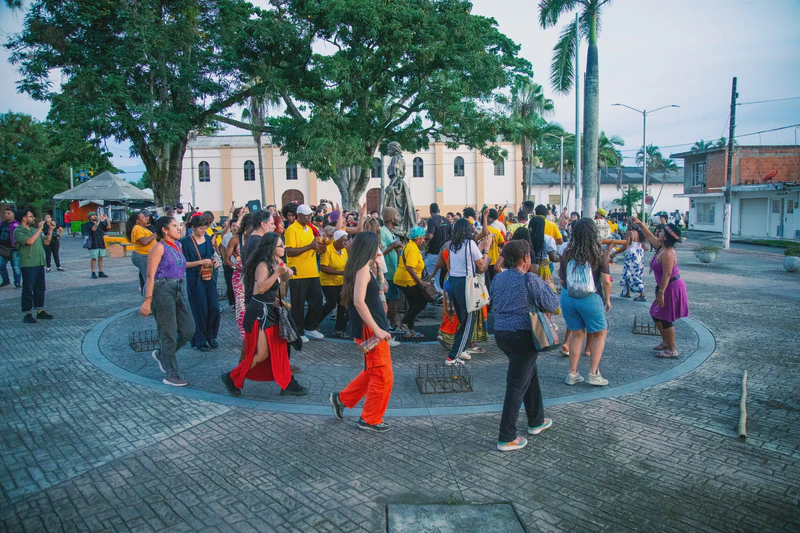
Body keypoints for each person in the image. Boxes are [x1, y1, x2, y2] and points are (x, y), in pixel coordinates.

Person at [491, 240, 559, 451]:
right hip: (523, 335)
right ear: (526, 258)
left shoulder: (498, 278)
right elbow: (553, 305)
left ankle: (536, 420)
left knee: (530, 373)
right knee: (515, 385)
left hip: (501, 334)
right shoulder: (530, 279)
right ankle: (506, 436)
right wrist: (549, 287)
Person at [222, 232, 308, 397]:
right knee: (261, 354)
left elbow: (286, 275)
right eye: (280, 245)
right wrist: (277, 273)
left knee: (281, 348)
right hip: (260, 313)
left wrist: (287, 271)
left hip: (272, 310)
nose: (284, 247)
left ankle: (287, 382)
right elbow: (259, 289)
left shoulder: (276, 262)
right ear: (271, 248)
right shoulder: (263, 265)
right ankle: (231, 378)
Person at [328, 232, 394, 432]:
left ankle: (341, 399)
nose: (379, 250)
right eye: (377, 247)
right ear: (369, 248)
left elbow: (380, 290)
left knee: (373, 372)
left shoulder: (363, 267)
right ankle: (370, 419)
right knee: (382, 376)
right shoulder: (362, 269)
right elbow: (358, 302)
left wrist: (379, 270)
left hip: (369, 328)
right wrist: (377, 330)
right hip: (370, 330)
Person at [140, 216, 194, 387]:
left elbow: (180, 265)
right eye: (174, 226)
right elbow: (150, 275)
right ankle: (172, 374)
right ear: (164, 230)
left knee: (188, 330)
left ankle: (163, 354)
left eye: (178, 225)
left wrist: (201, 262)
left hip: (179, 288)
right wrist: (147, 300)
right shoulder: (158, 247)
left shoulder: (178, 245)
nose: (178, 228)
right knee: (168, 333)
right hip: (162, 290)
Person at [558, 218, 612, 386]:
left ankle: (572, 373)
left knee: (577, 334)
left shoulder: (567, 252)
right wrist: (607, 299)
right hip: (590, 298)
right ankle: (593, 373)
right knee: (600, 333)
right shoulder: (598, 253)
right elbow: (606, 281)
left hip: (568, 297)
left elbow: (562, 279)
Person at [631, 218, 689, 358]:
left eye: (661, 231)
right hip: (666, 286)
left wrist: (661, 292)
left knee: (665, 318)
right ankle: (665, 342)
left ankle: (672, 350)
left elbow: (667, 274)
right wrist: (640, 224)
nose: (658, 232)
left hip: (671, 287)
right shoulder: (661, 246)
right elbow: (650, 237)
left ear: (666, 236)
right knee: (656, 313)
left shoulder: (668, 253)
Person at [440, 218, 489, 364]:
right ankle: (452, 356)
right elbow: (482, 266)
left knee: (464, 321)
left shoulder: (453, 246)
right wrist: (486, 251)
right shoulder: (470, 244)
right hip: (466, 284)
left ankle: (460, 350)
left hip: (453, 282)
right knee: (468, 321)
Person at [285, 204, 327, 342]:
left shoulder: (310, 229)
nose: (310, 217)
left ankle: (310, 327)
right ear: (300, 215)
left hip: (312, 272)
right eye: (307, 215)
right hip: (298, 273)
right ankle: (298, 331)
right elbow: (289, 251)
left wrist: (320, 248)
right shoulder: (291, 230)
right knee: (298, 304)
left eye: (311, 215)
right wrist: (309, 246)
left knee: (317, 300)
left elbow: (313, 248)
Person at [181, 216, 221, 351]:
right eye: (200, 228)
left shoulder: (208, 239)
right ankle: (200, 340)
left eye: (205, 228)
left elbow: (211, 256)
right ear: (193, 228)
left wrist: (214, 262)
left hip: (209, 276)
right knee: (200, 308)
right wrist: (200, 262)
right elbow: (182, 264)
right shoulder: (185, 242)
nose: (203, 230)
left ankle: (211, 335)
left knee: (214, 307)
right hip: (195, 279)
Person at [14, 208, 53, 323]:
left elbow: (46, 242)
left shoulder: (33, 230)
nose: (33, 218)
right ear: (24, 218)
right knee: (28, 289)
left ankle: (40, 310)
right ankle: (27, 313)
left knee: (40, 288)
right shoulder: (18, 231)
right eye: (31, 216)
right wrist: (39, 229)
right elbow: (29, 242)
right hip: (28, 263)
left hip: (39, 262)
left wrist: (50, 230)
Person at [394, 226, 431, 338]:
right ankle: (403, 322)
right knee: (421, 302)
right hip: (408, 280)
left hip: (404, 279)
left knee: (413, 305)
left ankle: (411, 331)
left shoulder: (410, 245)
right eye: (423, 238)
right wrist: (421, 282)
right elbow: (410, 267)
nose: (423, 240)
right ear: (418, 238)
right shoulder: (412, 248)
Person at [320, 230, 349, 337]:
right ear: (336, 240)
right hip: (328, 282)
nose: (346, 243)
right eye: (344, 240)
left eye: (346, 240)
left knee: (343, 304)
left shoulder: (344, 251)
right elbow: (323, 267)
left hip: (341, 282)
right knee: (331, 304)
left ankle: (339, 329)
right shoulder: (328, 250)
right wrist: (339, 272)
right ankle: (313, 322)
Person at [380, 207, 404, 330]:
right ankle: (392, 326)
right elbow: (381, 251)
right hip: (387, 272)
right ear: (391, 218)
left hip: (392, 271)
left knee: (393, 298)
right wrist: (394, 244)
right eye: (397, 216)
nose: (399, 219)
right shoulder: (383, 232)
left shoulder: (390, 232)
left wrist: (397, 247)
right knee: (392, 299)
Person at [610, 221, 646, 301]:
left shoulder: (629, 233)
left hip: (631, 255)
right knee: (634, 273)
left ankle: (642, 293)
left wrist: (614, 253)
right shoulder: (640, 233)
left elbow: (625, 247)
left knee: (630, 273)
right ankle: (627, 291)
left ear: (631, 224)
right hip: (639, 255)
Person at [126, 210, 157, 294]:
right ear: (137, 221)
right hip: (142, 256)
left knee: (150, 278)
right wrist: (155, 234)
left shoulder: (142, 228)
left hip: (147, 255)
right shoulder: (137, 228)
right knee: (148, 279)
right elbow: (144, 242)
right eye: (143, 218)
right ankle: (148, 298)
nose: (145, 219)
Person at [424, 203, 450, 292]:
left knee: (429, 273)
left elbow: (430, 236)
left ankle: (436, 293)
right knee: (438, 275)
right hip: (444, 253)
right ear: (439, 210)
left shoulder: (431, 221)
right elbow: (451, 235)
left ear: (430, 212)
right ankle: (440, 293)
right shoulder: (446, 220)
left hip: (433, 252)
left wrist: (423, 238)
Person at [82, 211, 110, 279]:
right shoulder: (88, 224)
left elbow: (108, 227)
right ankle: (93, 272)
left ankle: (100, 271)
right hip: (93, 243)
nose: (95, 216)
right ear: (89, 217)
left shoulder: (100, 223)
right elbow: (93, 229)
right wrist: (99, 220)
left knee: (101, 257)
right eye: (93, 215)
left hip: (101, 242)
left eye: (95, 215)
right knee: (94, 258)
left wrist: (107, 219)